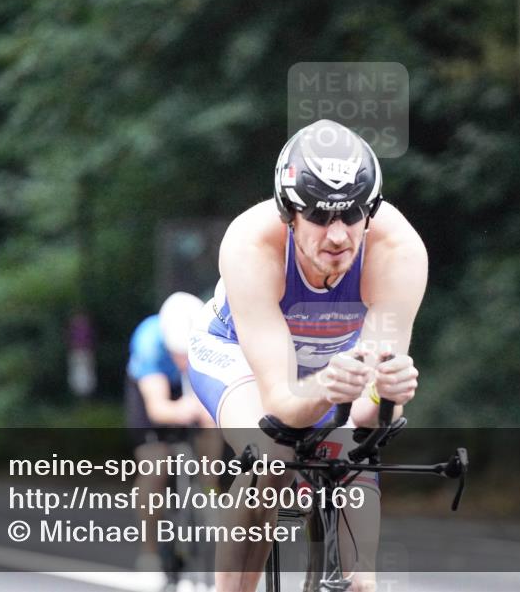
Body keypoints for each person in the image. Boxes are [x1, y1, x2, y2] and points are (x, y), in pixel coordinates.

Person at [188, 119, 427, 592]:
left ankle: (359, 581)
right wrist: (324, 391)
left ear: (371, 210)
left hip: (335, 362)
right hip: (234, 353)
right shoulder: (250, 244)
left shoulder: (398, 252)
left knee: (353, 452)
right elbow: (279, 404)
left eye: (352, 215)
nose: (337, 236)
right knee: (271, 456)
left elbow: (367, 411)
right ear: (288, 214)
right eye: (319, 217)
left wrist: (388, 396)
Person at [125, 291, 220, 580]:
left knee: (211, 425)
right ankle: (150, 552)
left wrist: (208, 411)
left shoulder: (212, 332)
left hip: (192, 382)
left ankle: (209, 491)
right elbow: (159, 409)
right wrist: (180, 410)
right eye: (178, 353)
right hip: (154, 389)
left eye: (186, 353)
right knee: (156, 464)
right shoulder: (150, 342)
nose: (182, 359)